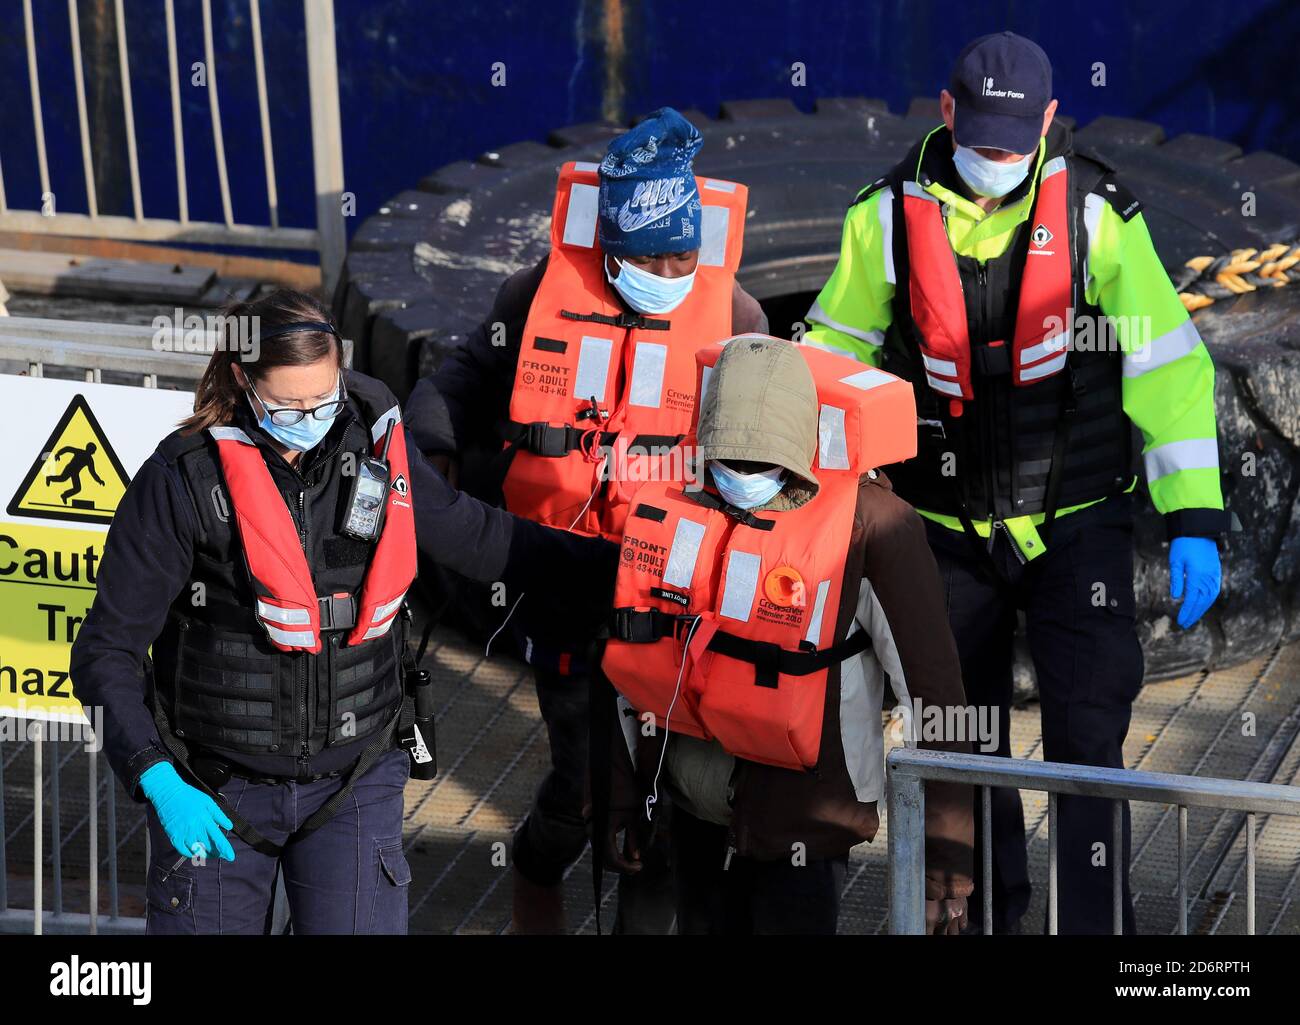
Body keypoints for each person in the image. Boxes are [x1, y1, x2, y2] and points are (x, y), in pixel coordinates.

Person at [804, 31, 1227, 933]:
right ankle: (985, 918)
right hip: (943, 531)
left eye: (1014, 143)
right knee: (963, 744)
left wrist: (1193, 513)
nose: (996, 160)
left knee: (1087, 739)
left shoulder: (1098, 213)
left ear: (1046, 120)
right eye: (979, 139)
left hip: (1080, 529)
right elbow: (830, 355)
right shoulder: (880, 216)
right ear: (946, 112)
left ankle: (1096, 932)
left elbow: (1167, 363)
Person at [70, 289, 612, 935]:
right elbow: (106, 651)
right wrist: (155, 775)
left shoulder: (377, 448)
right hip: (214, 786)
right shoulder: (181, 480)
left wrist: (628, 567)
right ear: (243, 379)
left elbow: (477, 536)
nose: (312, 418)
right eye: (289, 405)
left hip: (353, 779)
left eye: (324, 399)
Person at [406, 108, 766, 933]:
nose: (672, 269)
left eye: (685, 252)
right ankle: (538, 869)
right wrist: (434, 452)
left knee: (659, 796)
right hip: (564, 577)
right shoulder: (535, 295)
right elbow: (457, 377)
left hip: (674, 587)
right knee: (583, 785)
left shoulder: (737, 315)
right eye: (650, 256)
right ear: (611, 248)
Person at [597, 334, 974, 935]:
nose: (740, 479)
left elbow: (936, 697)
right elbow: (631, 658)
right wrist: (622, 797)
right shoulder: (679, 498)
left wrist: (945, 870)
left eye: (759, 464)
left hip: (806, 818)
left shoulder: (875, 526)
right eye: (727, 463)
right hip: (690, 804)